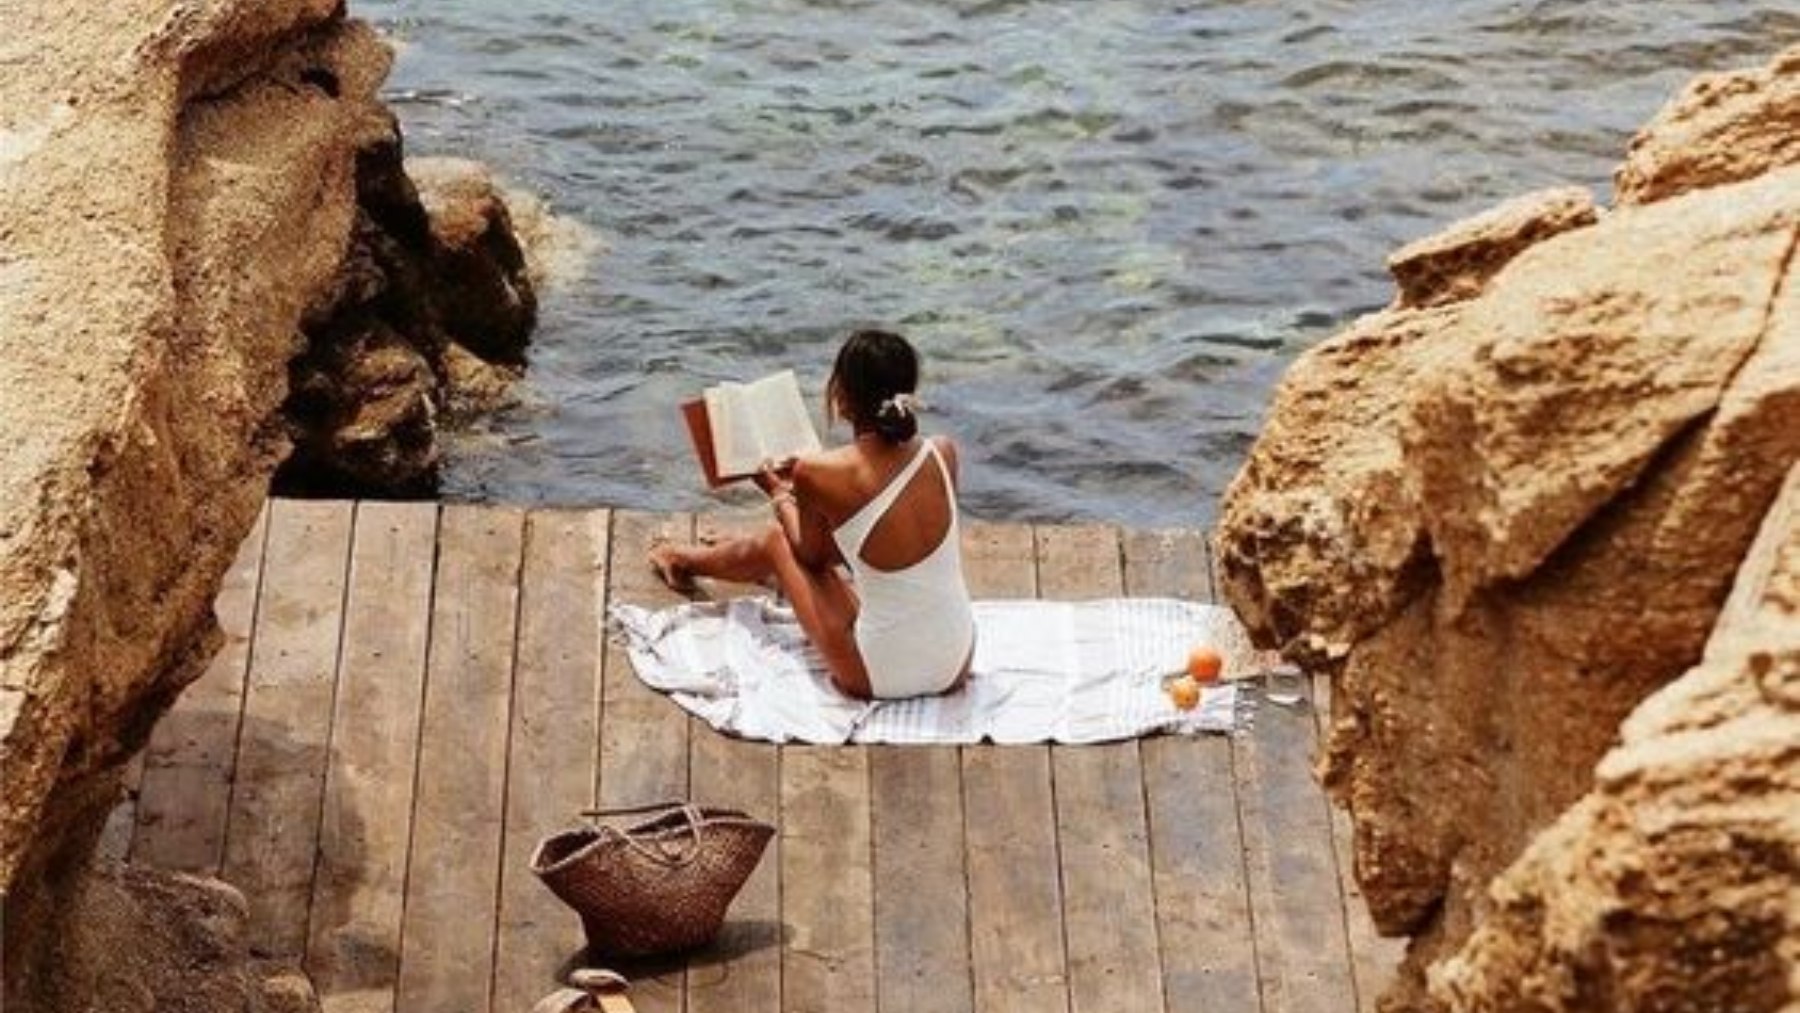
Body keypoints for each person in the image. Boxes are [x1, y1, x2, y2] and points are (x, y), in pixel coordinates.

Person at [649, 329, 975, 701]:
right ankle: (696, 559)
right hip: (956, 661)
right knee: (792, 547)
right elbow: (863, 544)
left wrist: (777, 490)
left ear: (841, 397)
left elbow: (812, 557)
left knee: (776, 540)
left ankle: (684, 559)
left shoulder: (820, 471)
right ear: (909, 391)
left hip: (880, 675)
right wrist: (802, 495)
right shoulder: (943, 452)